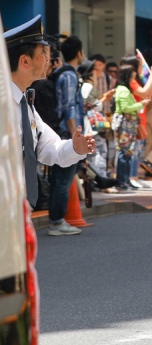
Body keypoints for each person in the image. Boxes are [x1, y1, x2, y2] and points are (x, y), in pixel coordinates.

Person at [5, 17, 94, 233]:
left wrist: (74, 148)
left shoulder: (25, 104)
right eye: (43, 53)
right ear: (25, 61)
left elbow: (50, 149)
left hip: (17, 215)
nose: (49, 59)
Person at [51, 35, 87, 233]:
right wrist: (76, 139)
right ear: (79, 53)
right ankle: (57, 222)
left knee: (60, 178)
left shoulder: (62, 73)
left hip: (61, 132)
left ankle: (57, 220)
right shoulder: (70, 76)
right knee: (63, 180)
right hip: (67, 134)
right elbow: (69, 108)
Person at [113, 66, 151, 191]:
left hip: (128, 124)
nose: (134, 77)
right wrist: (141, 104)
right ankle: (122, 181)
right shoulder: (124, 90)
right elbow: (125, 108)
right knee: (125, 152)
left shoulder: (122, 89)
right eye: (132, 75)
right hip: (126, 124)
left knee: (126, 152)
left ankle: (125, 180)